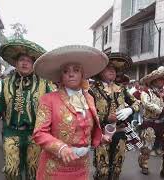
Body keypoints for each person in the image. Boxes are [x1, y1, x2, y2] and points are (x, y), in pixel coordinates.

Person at [32, 45, 111, 180]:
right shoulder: (49, 99)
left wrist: (100, 137)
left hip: (82, 165)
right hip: (56, 166)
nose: (71, 73)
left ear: (82, 74)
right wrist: (61, 148)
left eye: (76, 70)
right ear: (61, 76)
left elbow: (86, 127)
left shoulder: (89, 98)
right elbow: (39, 133)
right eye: (65, 71)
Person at [0, 38, 52, 180]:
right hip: (11, 131)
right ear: (16, 63)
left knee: (33, 170)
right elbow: (1, 103)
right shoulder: (6, 82)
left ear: (34, 64)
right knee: (11, 171)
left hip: (36, 133)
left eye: (28, 60)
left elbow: (52, 105)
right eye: (21, 60)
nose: (25, 63)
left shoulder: (44, 83)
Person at [89, 52, 140, 180]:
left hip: (121, 132)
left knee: (117, 167)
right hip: (102, 133)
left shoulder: (121, 89)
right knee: (103, 169)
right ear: (100, 71)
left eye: (114, 69)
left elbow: (137, 103)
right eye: (108, 68)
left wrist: (130, 110)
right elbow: (88, 113)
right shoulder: (92, 89)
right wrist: (106, 118)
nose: (112, 70)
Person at [138, 66, 164, 179]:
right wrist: (163, 110)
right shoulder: (146, 92)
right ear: (153, 80)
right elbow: (146, 104)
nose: (162, 81)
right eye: (160, 79)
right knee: (147, 147)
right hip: (150, 122)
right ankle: (144, 164)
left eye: (163, 79)